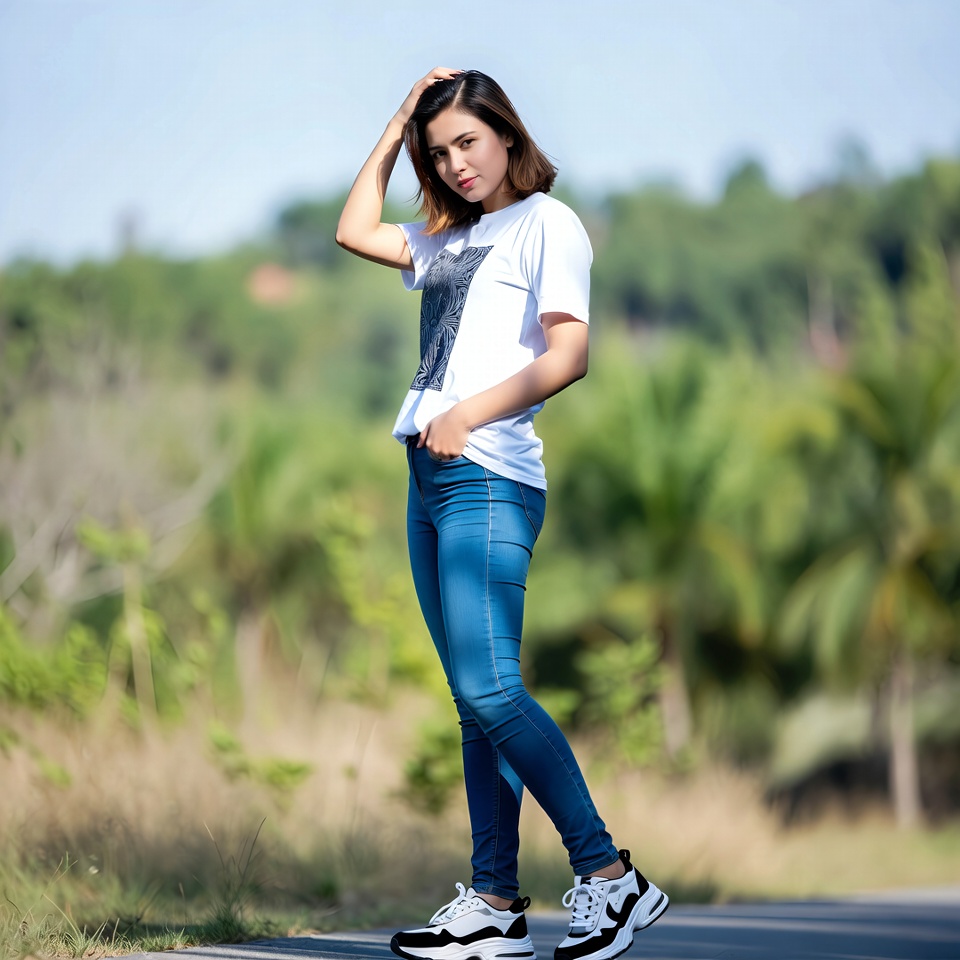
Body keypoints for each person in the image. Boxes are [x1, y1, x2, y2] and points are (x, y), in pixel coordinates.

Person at [336, 67, 668, 960]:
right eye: (438, 152)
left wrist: (467, 414)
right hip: (429, 479)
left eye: (468, 142)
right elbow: (352, 230)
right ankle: (492, 903)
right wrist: (398, 120)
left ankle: (610, 876)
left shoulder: (547, 224)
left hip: (487, 475)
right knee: (471, 701)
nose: (456, 163)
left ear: (507, 135)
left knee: (492, 689)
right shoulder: (449, 237)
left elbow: (570, 354)